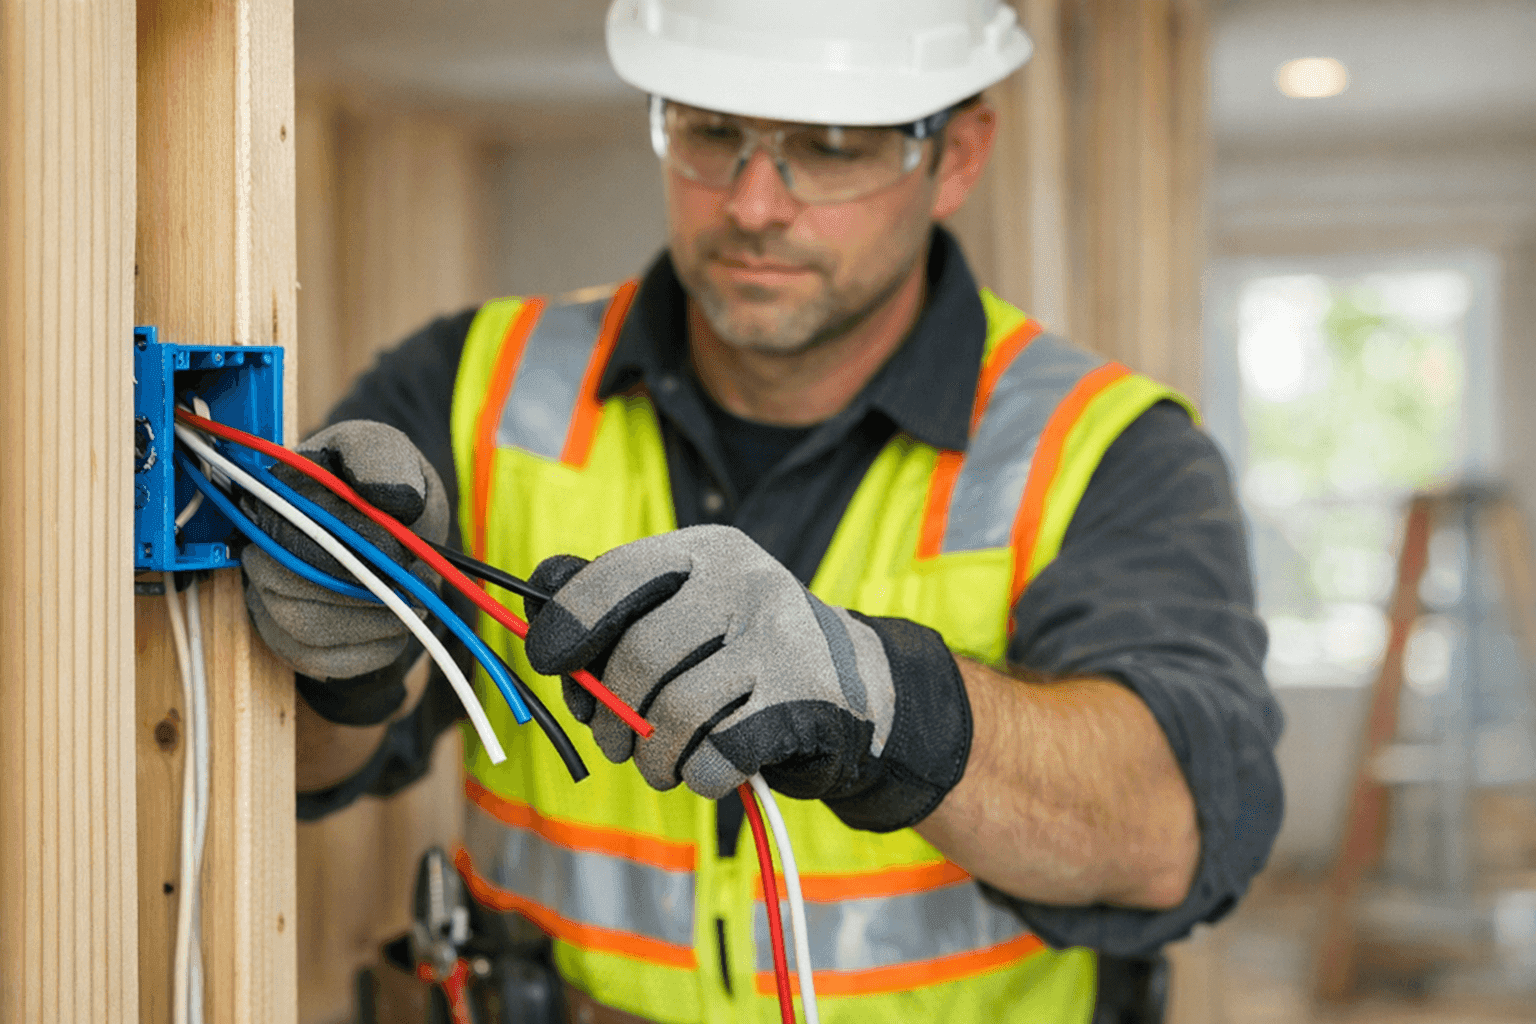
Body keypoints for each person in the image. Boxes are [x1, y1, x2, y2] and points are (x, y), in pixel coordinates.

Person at [254, 2, 1284, 1021]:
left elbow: (1172, 834)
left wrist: (890, 700)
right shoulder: (473, 381)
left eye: (828, 148)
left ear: (958, 154)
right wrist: (334, 664)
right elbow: (297, 757)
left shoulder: (1106, 445)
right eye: (709, 132)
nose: (752, 203)